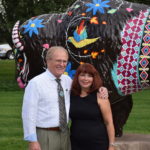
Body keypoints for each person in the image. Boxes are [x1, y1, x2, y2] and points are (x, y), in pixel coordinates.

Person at [22, 46, 72, 150]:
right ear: (48, 61)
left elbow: (85, 91)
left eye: (64, 61)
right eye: (58, 61)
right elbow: (28, 114)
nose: (62, 64)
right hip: (45, 135)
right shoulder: (35, 83)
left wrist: (101, 89)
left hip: (65, 134)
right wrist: (32, 140)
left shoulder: (68, 81)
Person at [69, 63, 116, 150]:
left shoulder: (101, 96)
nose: (85, 79)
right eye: (82, 75)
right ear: (77, 77)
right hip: (75, 144)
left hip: (98, 144)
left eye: (89, 76)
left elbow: (109, 123)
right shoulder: (71, 95)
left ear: (94, 78)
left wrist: (112, 145)